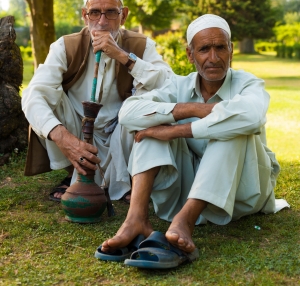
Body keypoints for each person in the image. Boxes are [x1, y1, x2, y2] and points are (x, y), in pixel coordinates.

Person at [96, 14, 280, 269]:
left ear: (231, 51)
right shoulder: (178, 85)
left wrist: (176, 131)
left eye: (220, 48)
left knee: (231, 128)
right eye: (204, 49)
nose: (213, 58)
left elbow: (250, 117)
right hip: (183, 189)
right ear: (190, 55)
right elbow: (128, 113)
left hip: (242, 194)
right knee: (151, 126)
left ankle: (184, 222)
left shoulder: (247, 83)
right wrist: (188, 109)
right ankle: (136, 220)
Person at [22, 0, 173, 202]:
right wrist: (64, 139)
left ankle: (129, 179)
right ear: (85, 15)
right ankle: (75, 174)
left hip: (122, 136)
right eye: (95, 12)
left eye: (111, 12)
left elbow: (170, 85)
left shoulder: (140, 45)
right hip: (77, 130)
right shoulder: (65, 46)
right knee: (42, 99)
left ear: (124, 15)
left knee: (149, 101)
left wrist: (124, 56)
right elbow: (32, 94)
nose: (102, 21)